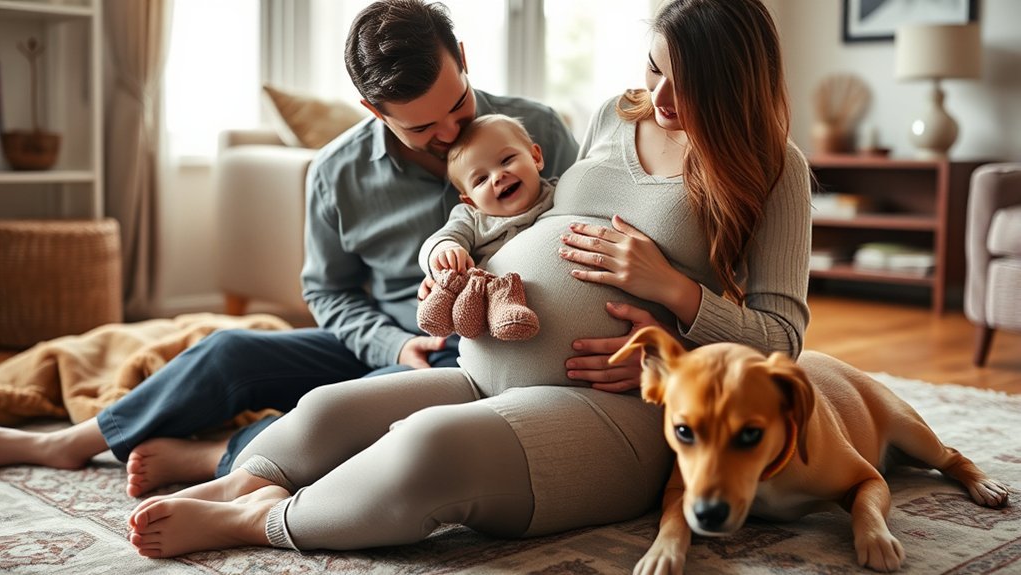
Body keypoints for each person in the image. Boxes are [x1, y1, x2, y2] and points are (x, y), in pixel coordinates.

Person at [125, 0, 812, 559]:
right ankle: (238, 484)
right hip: (485, 362)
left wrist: (673, 292)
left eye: (683, 81)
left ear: (733, 82)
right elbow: (533, 218)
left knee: (428, 449)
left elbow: (782, 336)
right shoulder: (615, 113)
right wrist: (466, 277)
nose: (659, 94)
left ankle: (264, 521)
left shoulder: (774, 169)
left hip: (615, 405)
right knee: (332, 407)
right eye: (654, 68)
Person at [0, 0, 586, 498]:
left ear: (462, 59)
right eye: (421, 128)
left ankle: (215, 459)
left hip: (478, 354)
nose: (450, 134)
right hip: (386, 337)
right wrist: (392, 341)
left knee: (368, 419)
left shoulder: (535, 130)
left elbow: (578, 232)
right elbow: (326, 291)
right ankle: (72, 441)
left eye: (457, 106)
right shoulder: (337, 171)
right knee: (228, 348)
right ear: (374, 110)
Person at [416, 113, 554, 341]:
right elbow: (438, 240)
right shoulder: (472, 218)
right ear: (470, 201)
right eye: (480, 180)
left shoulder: (559, 195)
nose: (498, 176)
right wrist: (445, 251)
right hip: (488, 304)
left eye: (507, 160)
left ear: (535, 157)